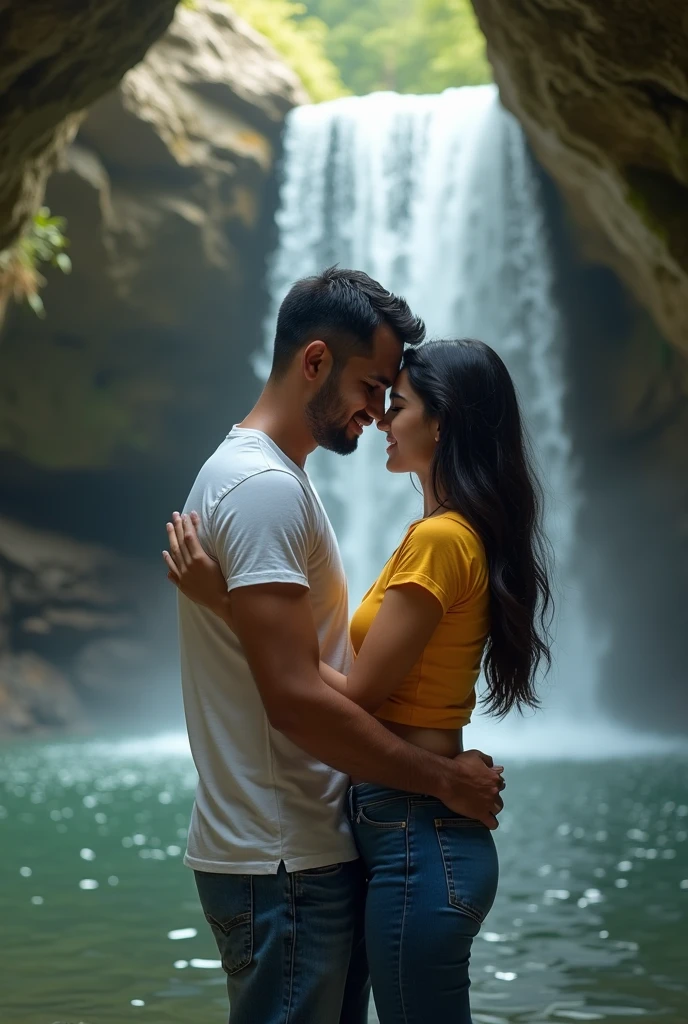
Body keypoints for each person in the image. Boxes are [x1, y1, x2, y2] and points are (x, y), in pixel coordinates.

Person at [165, 268, 507, 1024]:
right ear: (314, 362)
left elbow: (305, 675)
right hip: (283, 857)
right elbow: (296, 699)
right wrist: (440, 779)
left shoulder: (281, 481)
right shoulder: (263, 490)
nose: (381, 412)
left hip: (300, 851)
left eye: (395, 396)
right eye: (374, 385)